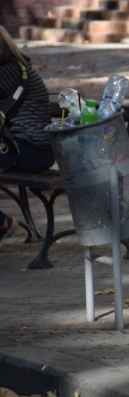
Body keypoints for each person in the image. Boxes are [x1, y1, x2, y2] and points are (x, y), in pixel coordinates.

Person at [0, 25, 54, 247]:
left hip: (30, 150)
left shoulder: (8, 72)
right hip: (24, 147)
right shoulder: (16, 68)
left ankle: (2, 223)